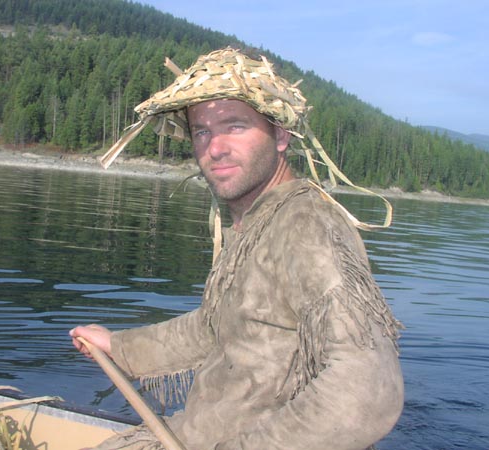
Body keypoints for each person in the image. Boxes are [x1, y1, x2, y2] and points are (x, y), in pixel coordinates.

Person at [70, 47, 404, 450]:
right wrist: (120, 347)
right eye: (203, 132)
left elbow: (367, 390)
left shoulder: (307, 225)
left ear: (281, 135)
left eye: (235, 127)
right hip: (197, 435)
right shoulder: (255, 223)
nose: (215, 148)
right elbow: (216, 327)